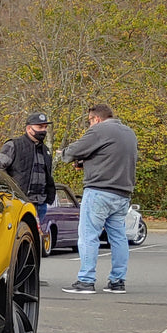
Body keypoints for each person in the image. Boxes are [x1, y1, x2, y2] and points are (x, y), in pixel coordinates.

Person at [60, 103, 139, 295]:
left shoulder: (99, 130)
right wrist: (87, 162)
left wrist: (68, 157)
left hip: (99, 191)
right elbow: (109, 157)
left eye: (89, 122)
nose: (89, 126)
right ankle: (117, 281)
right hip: (122, 193)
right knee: (119, 238)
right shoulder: (129, 133)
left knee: (88, 236)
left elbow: (72, 152)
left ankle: (86, 280)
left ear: (96, 118)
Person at [0, 111, 56, 227]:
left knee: (36, 240)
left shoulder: (46, 151)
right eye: (39, 127)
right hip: (19, 202)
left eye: (45, 127)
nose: (43, 130)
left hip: (41, 204)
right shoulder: (13, 145)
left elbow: (48, 176)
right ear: (29, 129)